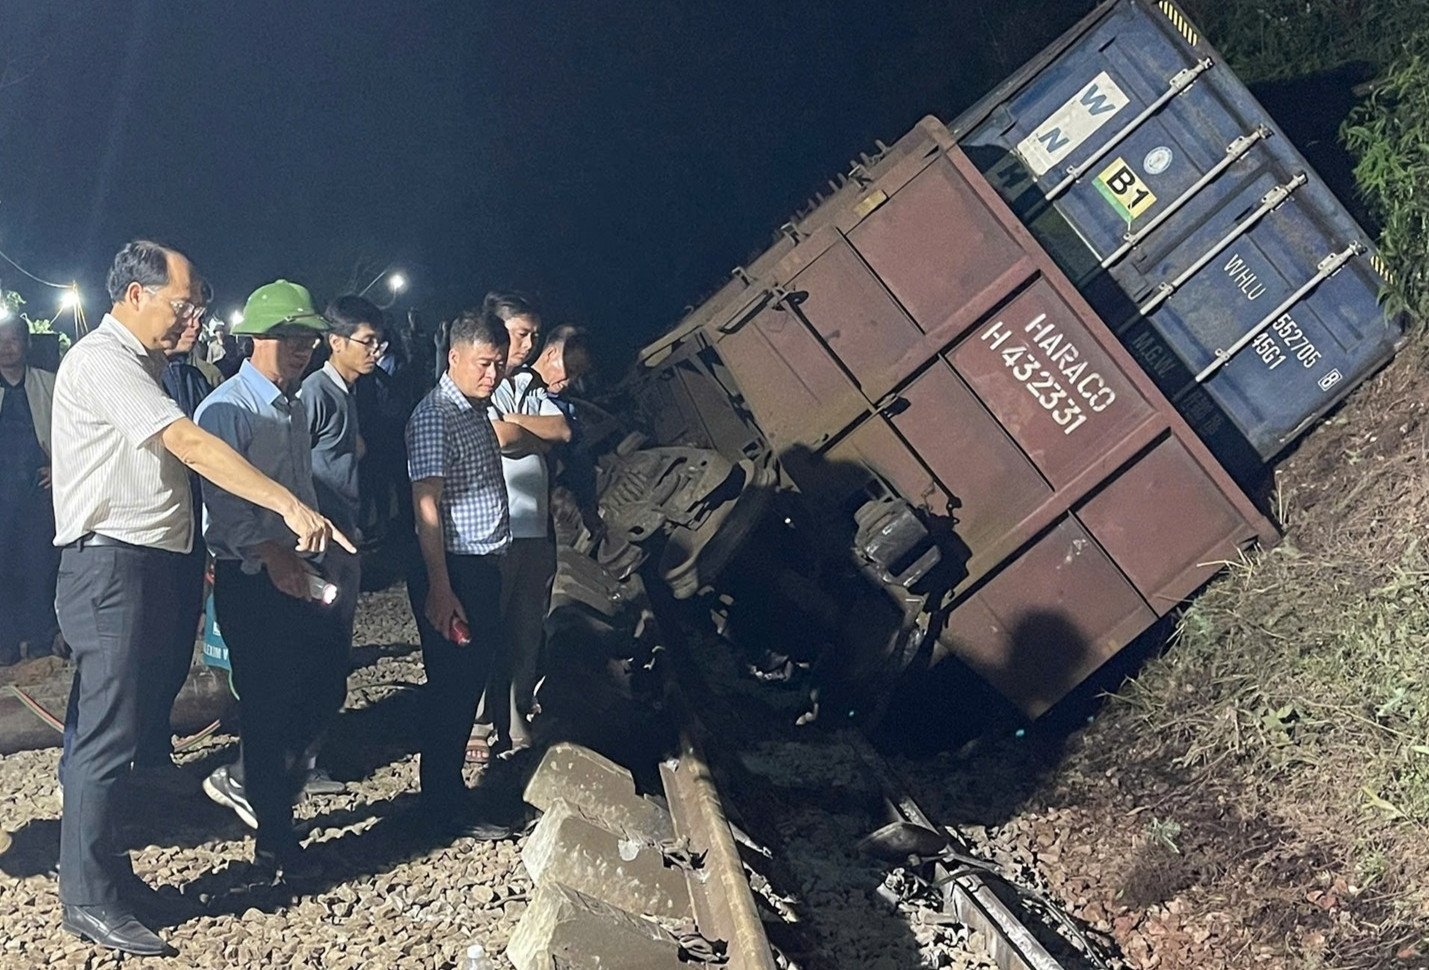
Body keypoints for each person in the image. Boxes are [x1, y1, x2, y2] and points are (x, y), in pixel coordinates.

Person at [51, 242, 348, 958]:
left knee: (129, 724)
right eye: (182, 306)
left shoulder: (146, 366)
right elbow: (186, 443)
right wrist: (285, 505)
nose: (192, 320)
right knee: (106, 733)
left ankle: (107, 874)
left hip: (151, 563)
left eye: (196, 308)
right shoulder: (103, 361)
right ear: (133, 296)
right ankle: (87, 898)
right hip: (112, 565)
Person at [195, 280, 352, 881]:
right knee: (267, 706)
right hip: (251, 576)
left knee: (321, 684)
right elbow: (223, 503)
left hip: (297, 568)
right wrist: (271, 553)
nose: (301, 347)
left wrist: (320, 543)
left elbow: (301, 490)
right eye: (289, 336)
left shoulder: (292, 405)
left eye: (308, 337)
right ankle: (275, 843)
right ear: (254, 338)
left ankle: (256, 789)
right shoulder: (227, 407)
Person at [404, 308, 513, 841]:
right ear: (454, 358)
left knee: (467, 681)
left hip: (481, 565)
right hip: (455, 569)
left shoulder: (473, 411)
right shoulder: (436, 415)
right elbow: (427, 506)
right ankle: (440, 803)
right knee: (452, 685)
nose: (492, 374)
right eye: (483, 363)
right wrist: (440, 588)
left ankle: (449, 792)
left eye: (500, 364)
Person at [294, 294, 386, 794]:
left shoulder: (346, 393)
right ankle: (302, 764)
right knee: (316, 649)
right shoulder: (317, 392)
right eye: (366, 341)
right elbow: (294, 464)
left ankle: (319, 750)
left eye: (378, 341)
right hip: (322, 545)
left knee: (333, 649)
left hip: (344, 539)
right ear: (335, 342)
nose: (375, 350)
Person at [483, 304, 581, 758]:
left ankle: (516, 710)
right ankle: (481, 722)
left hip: (533, 529)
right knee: (489, 627)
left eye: (533, 336)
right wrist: (525, 436)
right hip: (494, 530)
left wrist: (522, 431)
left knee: (526, 629)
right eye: (521, 334)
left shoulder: (525, 387)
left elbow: (560, 429)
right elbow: (498, 439)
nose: (527, 346)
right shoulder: (480, 384)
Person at [0, 316, 59, 665]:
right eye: (1, 340)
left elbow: (73, 434)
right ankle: (5, 643)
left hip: (37, 496)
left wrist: (60, 467)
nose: (6, 348)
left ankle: (40, 640)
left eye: (13, 340)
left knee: (40, 567)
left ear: (27, 345)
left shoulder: (48, 385)